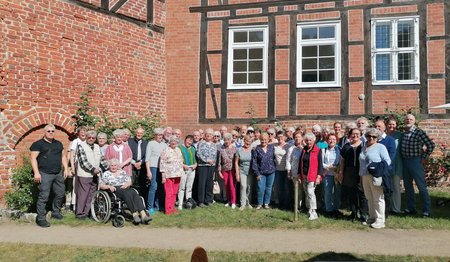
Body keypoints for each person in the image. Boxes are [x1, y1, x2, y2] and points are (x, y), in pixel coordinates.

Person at [30, 124, 70, 227]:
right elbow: (33, 158)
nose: (51, 133)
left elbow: (63, 157)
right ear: (45, 132)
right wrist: (36, 172)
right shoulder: (38, 144)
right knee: (44, 196)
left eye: (53, 131)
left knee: (60, 193)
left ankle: (55, 212)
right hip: (44, 173)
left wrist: (65, 168)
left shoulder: (58, 144)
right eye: (49, 131)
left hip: (57, 173)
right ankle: (41, 218)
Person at [401, 114, 435, 217]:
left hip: (416, 161)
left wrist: (424, 157)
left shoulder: (418, 132)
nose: (408, 121)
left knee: (421, 186)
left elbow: (431, 145)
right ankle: (411, 208)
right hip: (405, 161)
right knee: (408, 186)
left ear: (414, 121)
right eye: (407, 119)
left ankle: (426, 210)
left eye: (411, 119)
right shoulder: (404, 132)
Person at [99, 159, 151, 224]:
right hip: (114, 189)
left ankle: (143, 214)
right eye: (111, 165)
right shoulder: (106, 173)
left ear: (117, 166)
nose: (113, 167)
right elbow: (101, 185)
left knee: (133, 192)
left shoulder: (122, 172)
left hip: (124, 187)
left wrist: (127, 184)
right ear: (109, 166)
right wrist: (109, 187)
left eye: (115, 165)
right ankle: (134, 214)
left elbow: (129, 181)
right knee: (126, 193)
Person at [359, 128, 391, 229]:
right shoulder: (364, 147)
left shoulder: (380, 147)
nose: (371, 138)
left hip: (376, 176)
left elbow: (387, 161)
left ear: (377, 138)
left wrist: (379, 169)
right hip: (364, 175)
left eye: (374, 136)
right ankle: (372, 217)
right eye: (369, 136)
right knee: (369, 197)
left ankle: (380, 220)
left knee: (378, 198)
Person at [338, 127, 368, 222]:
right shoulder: (346, 146)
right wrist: (341, 172)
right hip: (349, 171)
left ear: (360, 135)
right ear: (350, 135)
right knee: (351, 193)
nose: (355, 135)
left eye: (357, 134)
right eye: (353, 134)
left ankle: (363, 213)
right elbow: (342, 160)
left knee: (362, 193)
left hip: (361, 171)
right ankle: (353, 212)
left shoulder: (364, 146)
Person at [74, 130, 106, 219]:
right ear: (86, 137)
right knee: (83, 195)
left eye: (93, 138)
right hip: (85, 174)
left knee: (91, 195)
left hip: (95, 175)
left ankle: (87, 213)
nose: (91, 139)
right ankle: (79, 213)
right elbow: (83, 162)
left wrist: (108, 168)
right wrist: (93, 169)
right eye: (89, 137)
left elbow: (102, 159)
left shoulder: (97, 146)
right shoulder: (81, 146)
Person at [299, 132, 323, 220]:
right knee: (307, 193)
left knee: (310, 193)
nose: (309, 142)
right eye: (307, 140)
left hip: (313, 176)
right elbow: (300, 163)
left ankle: (314, 211)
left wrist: (319, 176)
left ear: (314, 141)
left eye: (310, 140)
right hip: (304, 175)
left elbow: (320, 165)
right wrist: (299, 175)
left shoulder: (318, 150)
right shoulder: (304, 150)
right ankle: (309, 209)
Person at [374, 120, 396, 216]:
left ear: (384, 128)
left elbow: (391, 156)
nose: (377, 128)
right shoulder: (372, 140)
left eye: (379, 126)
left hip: (385, 170)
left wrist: (382, 167)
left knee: (386, 191)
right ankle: (376, 211)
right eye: (376, 126)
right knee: (376, 192)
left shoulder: (389, 140)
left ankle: (385, 212)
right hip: (374, 171)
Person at [145, 127, 168, 214]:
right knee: (153, 187)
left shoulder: (164, 145)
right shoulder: (151, 144)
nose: (160, 136)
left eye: (161, 135)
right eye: (158, 135)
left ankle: (158, 206)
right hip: (153, 167)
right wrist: (148, 171)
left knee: (161, 187)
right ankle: (150, 207)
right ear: (155, 135)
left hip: (162, 169)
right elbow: (147, 159)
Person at [159, 136, 184, 215]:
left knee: (174, 192)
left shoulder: (178, 150)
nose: (173, 143)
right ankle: (168, 210)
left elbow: (181, 161)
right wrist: (163, 176)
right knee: (169, 192)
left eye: (175, 141)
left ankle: (172, 208)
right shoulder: (165, 150)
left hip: (177, 174)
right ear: (169, 142)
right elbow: (162, 163)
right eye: (172, 141)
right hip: (168, 175)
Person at [252, 133, 276, 209]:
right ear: (260, 140)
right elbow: (254, 162)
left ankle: (266, 203)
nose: (264, 141)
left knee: (269, 188)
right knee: (260, 188)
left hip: (271, 172)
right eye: (262, 140)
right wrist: (257, 174)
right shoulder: (257, 149)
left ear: (268, 140)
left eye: (265, 140)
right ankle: (259, 203)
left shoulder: (272, 147)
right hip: (261, 173)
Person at [66, 126, 87, 211]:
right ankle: (75, 205)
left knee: (84, 185)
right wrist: (73, 167)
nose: (83, 133)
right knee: (76, 185)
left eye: (85, 131)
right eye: (81, 132)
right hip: (77, 165)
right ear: (78, 133)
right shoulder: (76, 141)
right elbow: (72, 154)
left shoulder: (88, 141)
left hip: (86, 166)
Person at [196, 128, 218, 207]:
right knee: (202, 183)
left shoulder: (214, 145)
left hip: (211, 166)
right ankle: (201, 201)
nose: (209, 135)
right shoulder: (201, 143)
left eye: (211, 134)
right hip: (203, 166)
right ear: (205, 135)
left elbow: (215, 155)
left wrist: (213, 162)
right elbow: (198, 154)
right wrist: (207, 160)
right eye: (207, 134)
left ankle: (208, 200)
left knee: (209, 183)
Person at [386, 118, 403, 214]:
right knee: (387, 187)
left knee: (396, 187)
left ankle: (396, 208)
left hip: (396, 164)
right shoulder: (383, 136)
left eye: (393, 124)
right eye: (390, 124)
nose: (391, 126)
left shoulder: (400, 136)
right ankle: (387, 207)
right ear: (386, 125)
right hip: (386, 165)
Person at [321, 133, 341, 217]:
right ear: (327, 140)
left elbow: (342, 161)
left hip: (337, 174)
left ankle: (336, 209)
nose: (332, 141)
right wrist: (329, 167)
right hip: (327, 174)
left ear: (336, 141)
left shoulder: (339, 149)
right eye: (330, 139)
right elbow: (321, 162)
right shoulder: (324, 149)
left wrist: (336, 167)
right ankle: (328, 209)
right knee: (328, 192)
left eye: (333, 139)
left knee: (337, 192)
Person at [177, 135, 197, 210]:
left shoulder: (193, 149)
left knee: (189, 187)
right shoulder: (179, 148)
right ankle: (180, 203)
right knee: (182, 187)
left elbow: (195, 159)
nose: (189, 142)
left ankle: (189, 203)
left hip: (192, 169)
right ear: (185, 140)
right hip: (183, 169)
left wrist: (195, 164)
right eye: (188, 140)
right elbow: (177, 160)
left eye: (191, 141)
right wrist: (183, 165)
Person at [218, 133, 237, 209]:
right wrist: (219, 171)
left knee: (232, 186)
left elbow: (237, 161)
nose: (226, 141)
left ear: (231, 140)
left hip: (232, 170)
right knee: (226, 186)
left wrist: (237, 171)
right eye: (225, 140)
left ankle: (233, 202)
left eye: (228, 139)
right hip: (224, 170)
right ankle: (229, 201)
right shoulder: (221, 149)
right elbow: (219, 161)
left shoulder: (234, 149)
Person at [286, 131, 304, 211]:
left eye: (299, 137)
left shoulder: (305, 148)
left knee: (306, 190)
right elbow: (288, 161)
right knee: (298, 190)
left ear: (302, 138)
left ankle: (306, 206)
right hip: (295, 172)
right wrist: (288, 171)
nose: (297, 138)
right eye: (295, 137)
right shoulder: (291, 149)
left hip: (304, 173)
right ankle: (298, 206)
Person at [128, 127, 148, 198]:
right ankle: (131, 199)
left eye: (141, 133)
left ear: (143, 134)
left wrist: (141, 162)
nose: (139, 134)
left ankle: (141, 200)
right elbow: (127, 154)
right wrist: (134, 163)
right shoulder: (129, 141)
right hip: (132, 165)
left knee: (142, 184)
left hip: (142, 165)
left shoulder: (146, 143)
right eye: (138, 133)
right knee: (131, 183)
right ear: (135, 133)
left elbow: (147, 155)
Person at [235, 135, 254, 210]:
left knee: (249, 187)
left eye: (250, 142)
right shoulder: (239, 150)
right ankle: (242, 204)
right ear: (244, 141)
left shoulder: (253, 150)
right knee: (243, 186)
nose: (248, 143)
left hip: (250, 171)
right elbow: (236, 162)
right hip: (242, 170)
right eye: (247, 141)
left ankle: (248, 202)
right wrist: (237, 173)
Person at [273, 130, 291, 209]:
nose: (280, 138)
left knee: (286, 187)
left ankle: (286, 204)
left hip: (286, 170)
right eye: (278, 137)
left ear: (284, 137)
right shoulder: (274, 146)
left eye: (281, 137)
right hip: (277, 169)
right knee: (279, 187)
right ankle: (280, 202)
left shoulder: (288, 146)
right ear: (276, 137)